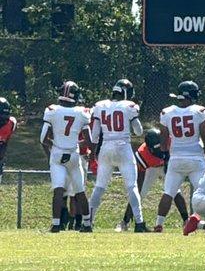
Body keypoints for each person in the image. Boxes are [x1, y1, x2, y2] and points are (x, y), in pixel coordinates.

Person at [89, 79, 148, 232]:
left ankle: (87, 223)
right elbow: (139, 131)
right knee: (131, 186)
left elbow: (95, 136)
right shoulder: (129, 107)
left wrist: (93, 152)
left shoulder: (100, 106)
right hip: (123, 147)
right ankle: (139, 223)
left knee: (100, 187)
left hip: (106, 147)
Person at [154, 81, 205, 231]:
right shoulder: (200, 111)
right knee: (203, 193)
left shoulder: (167, 112)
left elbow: (163, 138)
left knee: (168, 192)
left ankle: (159, 224)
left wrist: (166, 156)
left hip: (176, 158)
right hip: (195, 158)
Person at [40, 81, 92, 233]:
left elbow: (42, 138)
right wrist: (80, 145)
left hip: (57, 153)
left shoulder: (52, 110)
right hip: (73, 154)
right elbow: (89, 140)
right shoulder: (82, 112)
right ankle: (87, 224)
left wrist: (53, 147)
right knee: (80, 190)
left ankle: (56, 224)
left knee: (58, 189)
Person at [117, 128, 189, 231]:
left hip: (165, 165)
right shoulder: (143, 154)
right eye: (156, 148)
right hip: (150, 169)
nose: (159, 150)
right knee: (138, 194)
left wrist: (168, 163)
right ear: (149, 147)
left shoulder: (170, 141)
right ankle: (125, 221)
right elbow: (139, 181)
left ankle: (186, 221)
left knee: (175, 191)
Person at [0, 97, 17, 183]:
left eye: (6, 116)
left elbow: (5, 142)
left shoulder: (11, 124)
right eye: (1, 116)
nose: (4, 119)